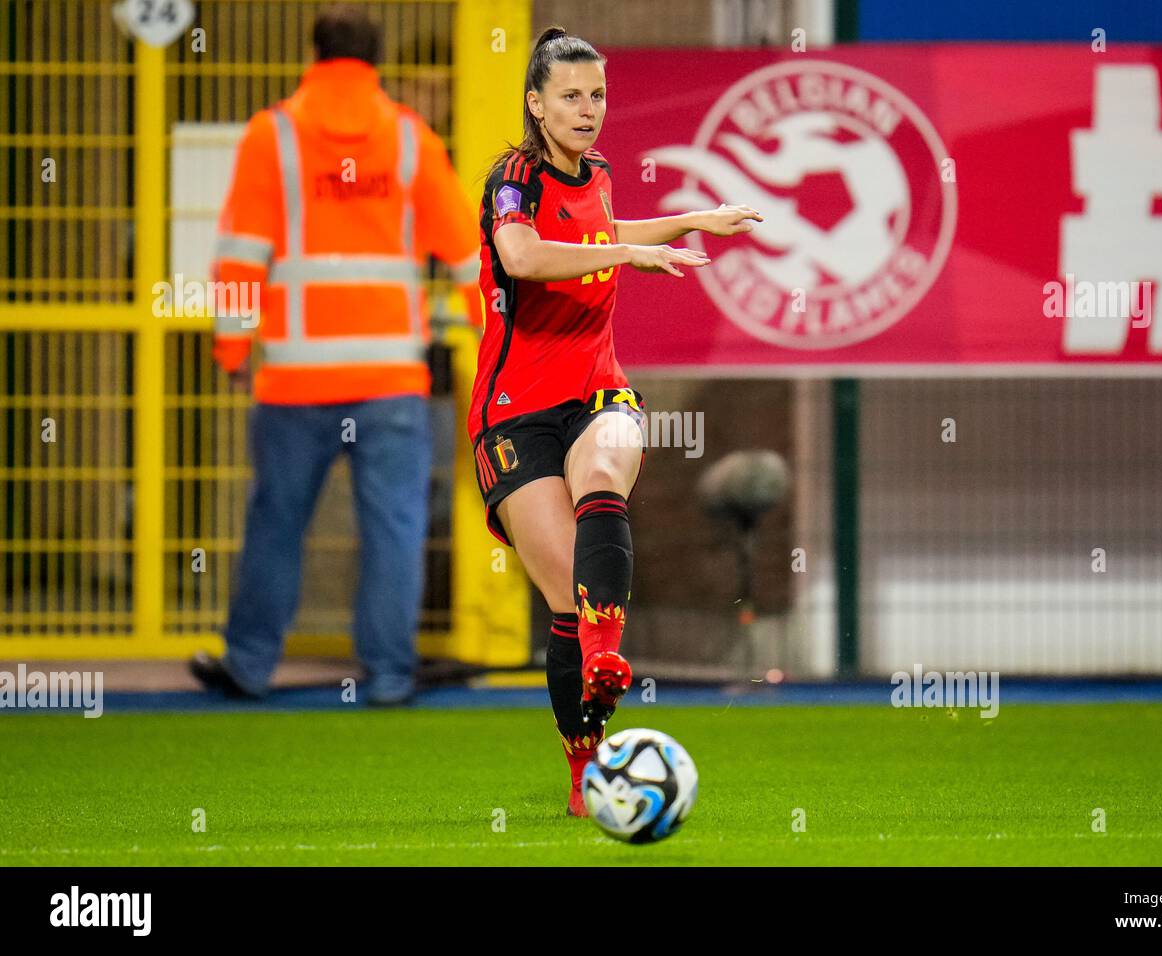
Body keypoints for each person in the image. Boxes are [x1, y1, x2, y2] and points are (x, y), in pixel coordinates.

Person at [471, 27, 761, 815]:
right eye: (570, 95)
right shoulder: (512, 178)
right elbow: (526, 256)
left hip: (596, 390)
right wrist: (627, 259)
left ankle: (607, 658)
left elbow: (602, 236)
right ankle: (584, 766)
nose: (587, 109)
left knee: (605, 472)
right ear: (535, 103)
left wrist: (692, 219)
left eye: (597, 94)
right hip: (514, 413)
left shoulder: (595, 172)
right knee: (569, 594)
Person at [190, 3, 482, 706]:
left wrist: (233, 347)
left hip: (295, 379)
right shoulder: (411, 140)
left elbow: (240, 258)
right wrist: (500, 339)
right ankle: (387, 676)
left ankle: (251, 664)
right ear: (376, 59)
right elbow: (471, 254)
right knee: (394, 527)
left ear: (314, 51)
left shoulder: (274, 135)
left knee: (276, 521)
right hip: (390, 380)